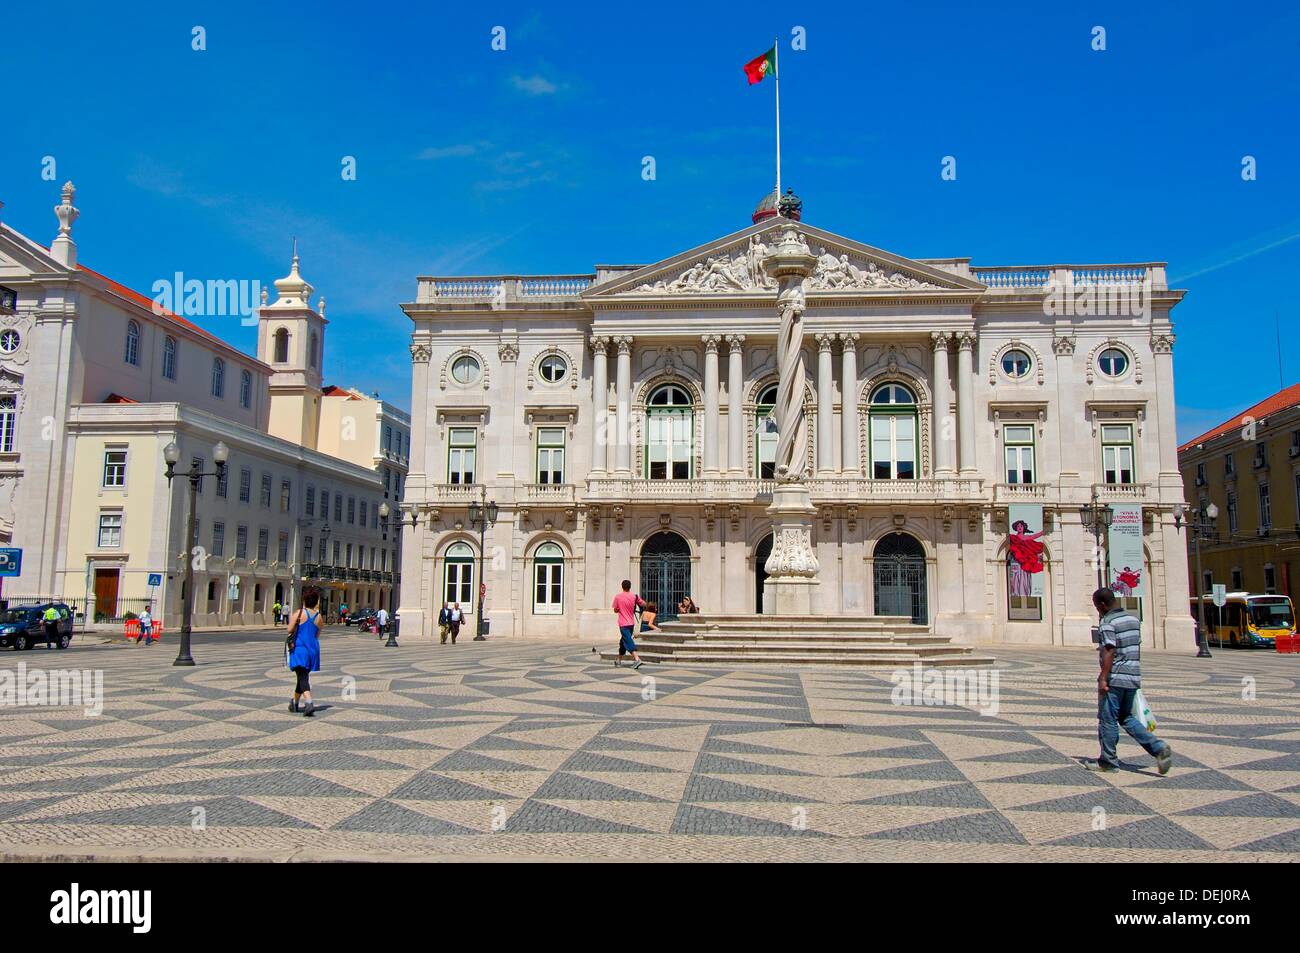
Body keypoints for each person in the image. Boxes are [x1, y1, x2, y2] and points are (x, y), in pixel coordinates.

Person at [1085, 587, 1173, 775]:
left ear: (1102, 604)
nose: (1097, 610)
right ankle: (1158, 748)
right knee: (1125, 717)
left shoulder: (1107, 622)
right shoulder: (1133, 620)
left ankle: (1108, 761)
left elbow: (1109, 650)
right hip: (1133, 676)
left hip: (1115, 677)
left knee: (1107, 720)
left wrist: (1103, 677)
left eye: (1096, 606)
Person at [286, 586, 323, 717]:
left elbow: (289, 630)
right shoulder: (319, 617)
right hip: (313, 649)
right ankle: (294, 703)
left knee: (302, 677)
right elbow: (317, 634)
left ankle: (309, 702)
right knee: (302, 677)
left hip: (300, 648)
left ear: (304, 600)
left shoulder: (299, 613)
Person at [613, 579, 645, 669]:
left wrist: (620, 609)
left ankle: (637, 659)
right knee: (623, 641)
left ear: (622, 586)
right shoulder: (634, 596)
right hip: (631, 623)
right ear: (630, 587)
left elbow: (615, 610)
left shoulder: (618, 597)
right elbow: (643, 604)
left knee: (627, 641)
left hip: (623, 624)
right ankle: (618, 659)